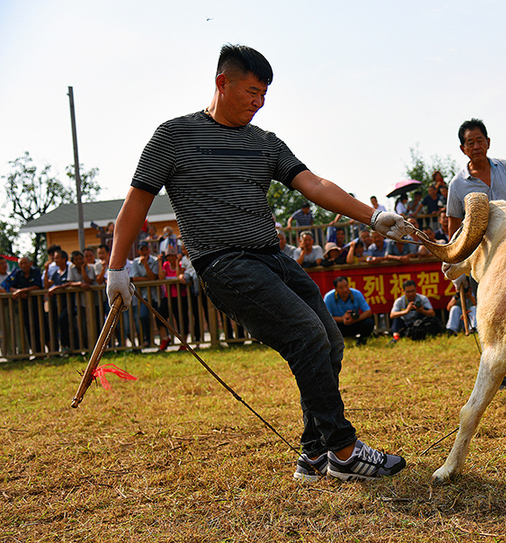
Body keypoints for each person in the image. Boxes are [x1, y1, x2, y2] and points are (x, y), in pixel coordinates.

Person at [106, 44, 409, 481]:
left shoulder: (264, 142)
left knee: (330, 341)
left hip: (272, 257)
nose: (258, 102)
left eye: (264, 93)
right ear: (221, 82)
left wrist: (375, 216)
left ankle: (314, 454)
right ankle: (344, 453)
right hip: (224, 263)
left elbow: (315, 184)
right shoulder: (173, 137)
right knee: (306, 335)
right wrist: (118, 268)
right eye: (251, 90)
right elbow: (136, 203)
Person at [446, 119, 506, 236]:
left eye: (480, 141)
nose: (476, 147)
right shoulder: (457, 184)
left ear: (488, 143)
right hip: (484, 250)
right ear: (462, 149)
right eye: (470, 143)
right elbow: (454, 224)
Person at [8, 256, 44, 355]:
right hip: (24, 306)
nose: (23, 266)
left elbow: (37, 286)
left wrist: (22, 290)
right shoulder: (18, 274)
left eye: (25, 263)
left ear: (30, 263)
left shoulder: (35, 271)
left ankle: (45, 352)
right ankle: (36, 353)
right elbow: (10, 286)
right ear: (19, 265)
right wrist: (18, 292)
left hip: (37, 305)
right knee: (28, 328)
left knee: (40, 327)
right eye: (21, 264)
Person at [323, 277, 374, 345]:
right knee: (327, 326)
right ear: (335, 289)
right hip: (339, 326)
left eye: (346, 286)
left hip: (354, 323)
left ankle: (362, 339)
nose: (345, 290)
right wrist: (342, 318)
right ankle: (334, 343)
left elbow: (368, 312)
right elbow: (326, 318)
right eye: (341, 288)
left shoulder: (357, 294)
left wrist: (354, 320)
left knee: (369, 322)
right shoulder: (328, 297)